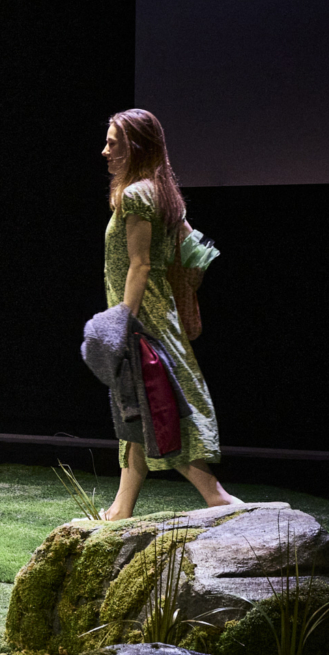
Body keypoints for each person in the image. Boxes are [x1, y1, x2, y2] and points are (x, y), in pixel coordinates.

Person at [98, 109, 242, 520]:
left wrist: (123, 321)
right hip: (156, 314)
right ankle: (122, 507)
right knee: (138, 409)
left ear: (135, 147)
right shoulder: (160, 192)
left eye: (113, 143)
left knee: (159, 406)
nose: (105, 151)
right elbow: (199, 248)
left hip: (142, 319)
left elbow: (140, 264)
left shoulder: (136, 195)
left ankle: (216, 496)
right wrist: (185, 292)